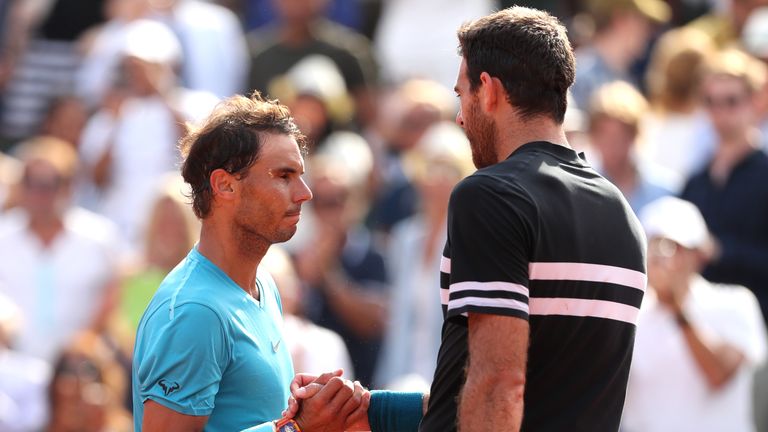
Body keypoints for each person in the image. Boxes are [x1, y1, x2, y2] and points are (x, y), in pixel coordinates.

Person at [288, 7, 647, 432]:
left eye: (462, 95)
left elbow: (499, 386)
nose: (459, 117)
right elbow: (515, 400)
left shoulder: (491, 193)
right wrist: (368, 409)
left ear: (489, 91)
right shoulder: (621, 212)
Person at [131, 92, 368, 431]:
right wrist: (297, 427)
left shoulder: (263, 286)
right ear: (225, 186)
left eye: (300, 175)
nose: (304, 193)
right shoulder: (194, 311)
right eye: (283, 176)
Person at [622, 196, 767, 432]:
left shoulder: (735, 302)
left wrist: (679, 310)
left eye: (676, 248)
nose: (664, 259)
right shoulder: (630, 314)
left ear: (701, 253)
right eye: (654, 247)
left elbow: (719, 374)